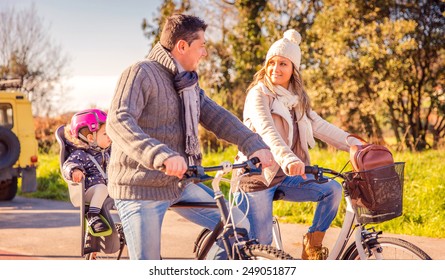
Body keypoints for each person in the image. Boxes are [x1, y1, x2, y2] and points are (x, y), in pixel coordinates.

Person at [105, 14, 273, 260]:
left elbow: (216, 116)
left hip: (179, 184)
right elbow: (118, 121)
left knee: (237, 225)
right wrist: (160, 154)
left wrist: (253, 143)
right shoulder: (141, 72)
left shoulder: (188, 83)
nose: (205, 53)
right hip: (140, 186)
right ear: (181, 46)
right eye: (202, 46)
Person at [234, 29, 362, 260]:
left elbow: (321, 126)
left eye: (283, 63)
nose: (275, 69)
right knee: (262, 249)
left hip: (285, 175)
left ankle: (311, 247)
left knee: (331, 190)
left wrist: (354, 144)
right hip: (257, 176)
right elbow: (267, 130)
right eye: (271, 63)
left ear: (294, 68)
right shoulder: (259, 94)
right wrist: (289, 158)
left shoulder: (296, 99)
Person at [62, 109, 112, 234]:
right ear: (91, 138)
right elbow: (68, 164)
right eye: (105, 134)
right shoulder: (81, 154)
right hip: (90, 190)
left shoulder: (106, 152)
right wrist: (75, 171)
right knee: (102, 188)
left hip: (107, 189)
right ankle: (92, 216)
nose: (110, 137)